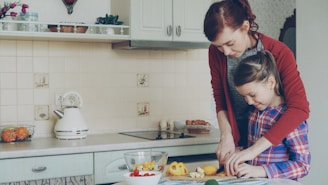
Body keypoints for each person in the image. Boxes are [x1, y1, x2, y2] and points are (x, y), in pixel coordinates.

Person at [203, 0, 310, 176]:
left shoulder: (279, 52)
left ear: (245, 27)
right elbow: (220, 97)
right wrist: (226, 136)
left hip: (269, 150)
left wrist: (253, 150)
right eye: (219, 46)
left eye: (230, 43)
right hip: (241, 148)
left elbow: (299, 108)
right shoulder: (216, 53)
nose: (225, 52)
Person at [231, 50, 310, 179]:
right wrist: (238, 152)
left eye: (252, 95)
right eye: (244, 97)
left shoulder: (290, 118)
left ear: (271, 83)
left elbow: (303, 165)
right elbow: (256, 150)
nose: (249, 102)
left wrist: (261, 171)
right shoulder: (254, 113)